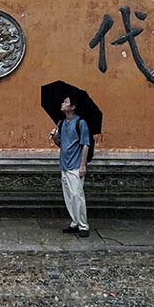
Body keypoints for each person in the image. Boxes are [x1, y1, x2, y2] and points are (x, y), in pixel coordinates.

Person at [49, 96, 91, 238]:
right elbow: (61, 144)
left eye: (66, 102)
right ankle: (75, 222)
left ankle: (84, 225)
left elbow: (85, 144)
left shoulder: (81, 123)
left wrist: (82, 165)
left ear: (73, 107)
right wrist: (55, 136)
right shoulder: (61, 123)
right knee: (68, 196)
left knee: (77, 195)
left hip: (75, 165)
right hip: (64, 164)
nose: (63, 103)